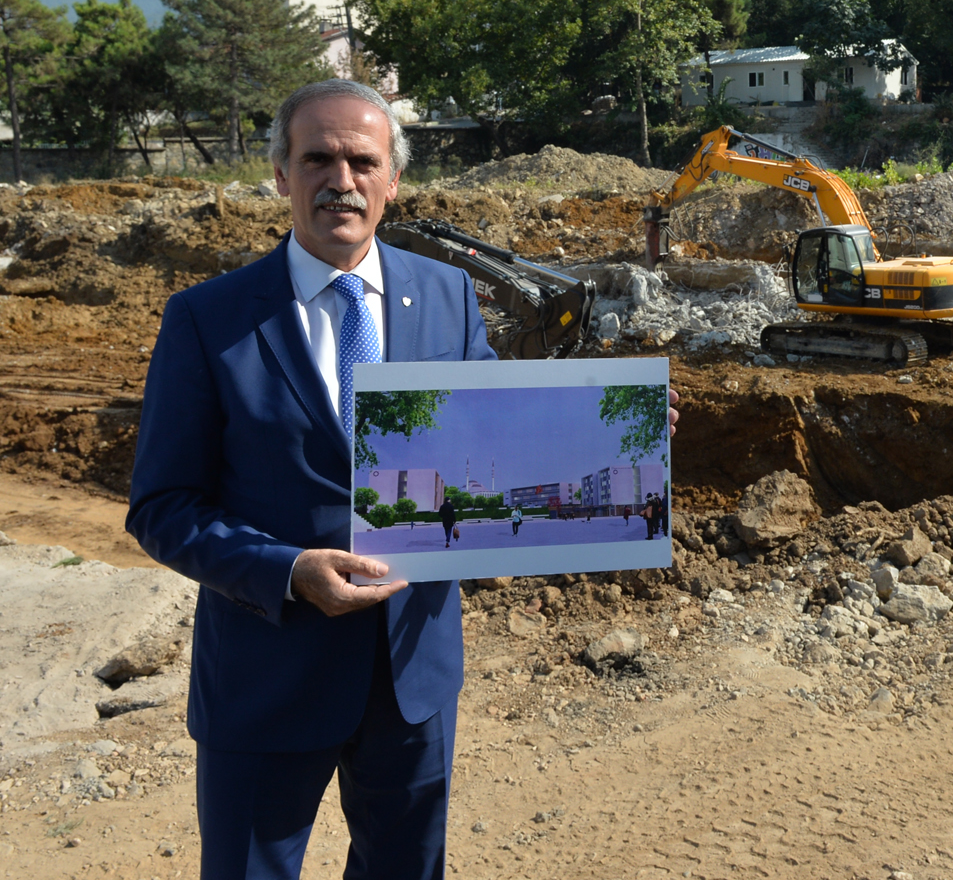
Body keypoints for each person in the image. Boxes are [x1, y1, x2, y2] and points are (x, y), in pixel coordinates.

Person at [126, 78, 684, 880]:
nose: (341, 180)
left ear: (392, 180)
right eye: (317, 159)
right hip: (266, 675)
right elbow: (163, 506)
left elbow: (494, 439)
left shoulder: (449, 296)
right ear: (281, 174)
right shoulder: (207, 318)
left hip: (410, 675)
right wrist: (288, 569)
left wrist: (602, 439)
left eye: (362, 161)